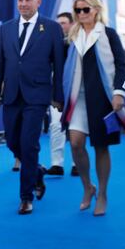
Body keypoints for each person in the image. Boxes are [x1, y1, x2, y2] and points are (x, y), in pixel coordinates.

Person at [0, 0, 64, 215]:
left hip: (37, 96)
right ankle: (37, 173)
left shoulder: (51, 28)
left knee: (29, 145)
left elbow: (58, 65)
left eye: (28, 0)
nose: (23, 4)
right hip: (11, 95)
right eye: (20, 0)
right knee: (13, 143)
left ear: (38, 1)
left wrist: (57, 96)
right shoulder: (6, 28)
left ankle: (26, 197)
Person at [61, 0, 125, 216]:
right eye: (77, 10)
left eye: (85, 9)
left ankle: (103, 194)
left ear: (96, 10)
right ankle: (87, 187)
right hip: (77, 99)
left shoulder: (108, 34)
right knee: (76, 143)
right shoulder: (73, 36)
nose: (81, 14)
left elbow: (121, 64)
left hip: (102, 98)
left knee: (101, 146)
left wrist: (118, 92)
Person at [47, 12, 74, 176]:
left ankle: (77, 163)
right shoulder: (51, 43)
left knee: (76, 129)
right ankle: (57, 164)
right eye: (58, 23)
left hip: (77, 92)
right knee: (56, 126)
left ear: (71, 24)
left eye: (63, 23)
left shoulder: (79, 42)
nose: (60, 26)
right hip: (57, 92)